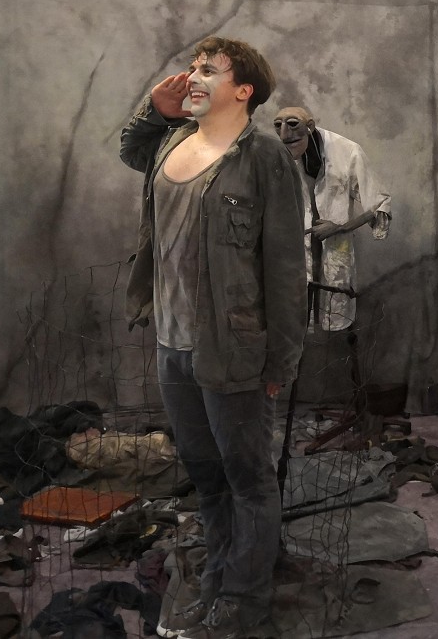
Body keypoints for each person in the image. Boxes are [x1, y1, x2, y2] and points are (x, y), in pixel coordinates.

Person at [120, 37, 306, 638]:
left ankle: (243, 602)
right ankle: (217, 580)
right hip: (172, 345)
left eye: (209, 71)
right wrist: (154, 109)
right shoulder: (172, 140)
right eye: (193, 67)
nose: (193, 77)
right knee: (206, 475)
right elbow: (131, 150)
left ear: (244, 90)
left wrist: (281, 360)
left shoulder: (265, 158)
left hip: (233, 349)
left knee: (247, 478)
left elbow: (286, 267)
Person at [272, 107, 391, 332]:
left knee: (335, 311)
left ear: (310, 126)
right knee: (296, 320)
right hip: (295, 251)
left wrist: (339, 228)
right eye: (278, 125)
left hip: (336, 246)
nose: (285, 133)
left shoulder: (348, 152)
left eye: (293, 124)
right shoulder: (278, 155)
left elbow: (379, 204)